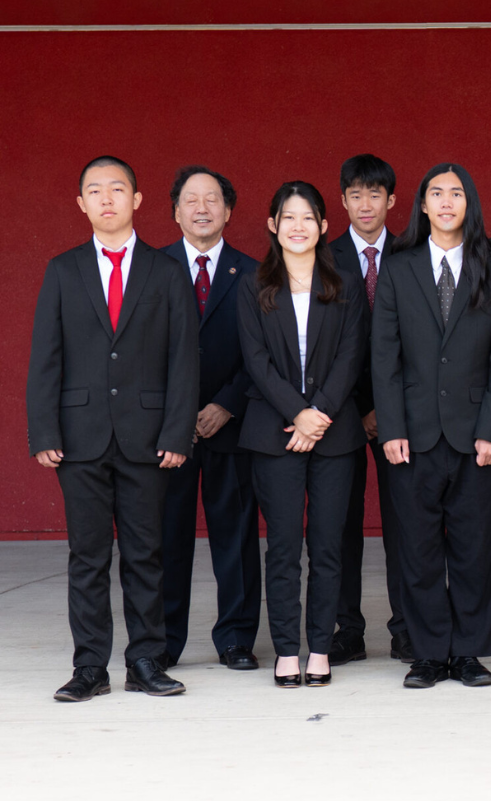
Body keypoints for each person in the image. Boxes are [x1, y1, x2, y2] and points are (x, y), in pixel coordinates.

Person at [29, 156, 198, 702]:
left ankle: (146, 659)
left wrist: (177, 434)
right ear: (81, 204)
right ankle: (89, 668)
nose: (107, 199)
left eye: (117, 189)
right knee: (88, 554)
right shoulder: (62, 269)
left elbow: (183, 361)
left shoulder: (165, 271)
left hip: (148, 439)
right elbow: (45, 359)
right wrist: (43, 431)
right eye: (95, 191)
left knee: (147, 552)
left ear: (138, 200)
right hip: (79, 437)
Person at [372, 163, 491, 689]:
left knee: (475, 547)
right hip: (412, 434)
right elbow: (383, 357)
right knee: (418, 548)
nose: (446, 201)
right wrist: (390, 428)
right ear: (423, 205)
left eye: (457, 192)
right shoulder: (399, 268)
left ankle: (472, 652)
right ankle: (429, 653)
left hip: (474, 433)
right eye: (436, 192)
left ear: (469, 204)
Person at [237, 181, 368, 688]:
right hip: (274, 433)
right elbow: (255, 360)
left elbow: (350, 356)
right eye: (288, 218)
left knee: (328, 545)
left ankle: (321, 647)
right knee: (285, 546)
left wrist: (319, 415)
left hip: (334, 435)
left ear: (323, 227)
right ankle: (286, 649)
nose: (297, 227)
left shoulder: (347, 285)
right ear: (273, 225)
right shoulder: (254, 286)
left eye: (308, 218)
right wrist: (298, 411)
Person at [159, 165, 262, 671]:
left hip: (234, 425)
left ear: (229, 210)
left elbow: (264, 352)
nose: (202, 208)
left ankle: (237, 639)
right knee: (164, 538)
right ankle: (161, 641)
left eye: (213, 199)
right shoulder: (151, 269)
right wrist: (178, 414)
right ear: (175, 210)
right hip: (166, 431)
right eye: (191, 200)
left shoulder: (255, 271)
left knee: (236, 536)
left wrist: (227, 403)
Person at [328, 153, 411, 666]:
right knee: (341, 525)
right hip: (338, 414)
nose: (365, 204)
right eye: (355, 194)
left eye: (374, 194)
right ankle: (346, 630)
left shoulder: (413, 252)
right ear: (342, 201)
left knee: (407, 524)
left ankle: (406, 626)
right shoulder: (320, 253)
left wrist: (387, 408)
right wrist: (359, 408)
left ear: (392, 200)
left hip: (401, 414)